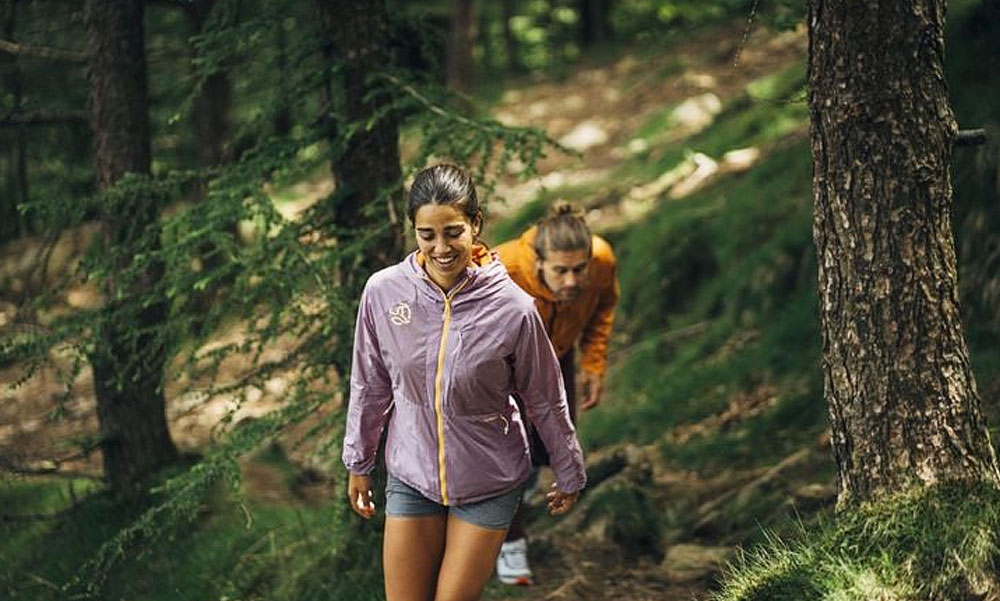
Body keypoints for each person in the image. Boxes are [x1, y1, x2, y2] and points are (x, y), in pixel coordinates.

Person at [342, 164, 587, 601]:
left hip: (489, 478)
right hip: (411, 474)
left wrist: (568, 469)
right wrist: (358, 462)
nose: (441, 248)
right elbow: (370, 382)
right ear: (413, 231)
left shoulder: (514, 309)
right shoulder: (383, 292)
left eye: (453, 231)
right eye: (427, 234)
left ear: (476, 223)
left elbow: (545, 398)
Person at [493, 202, 620, 585]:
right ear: (538, 262)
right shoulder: (503, 269)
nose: (570, 281)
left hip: (557, 356)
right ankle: (509, 543)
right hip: (503, 367)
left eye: (578, 270)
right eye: (560, 271)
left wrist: (593, 365)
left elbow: (602, 309)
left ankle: (524, 486)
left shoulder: (602, 260)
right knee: (507, 457)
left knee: (552, 446)